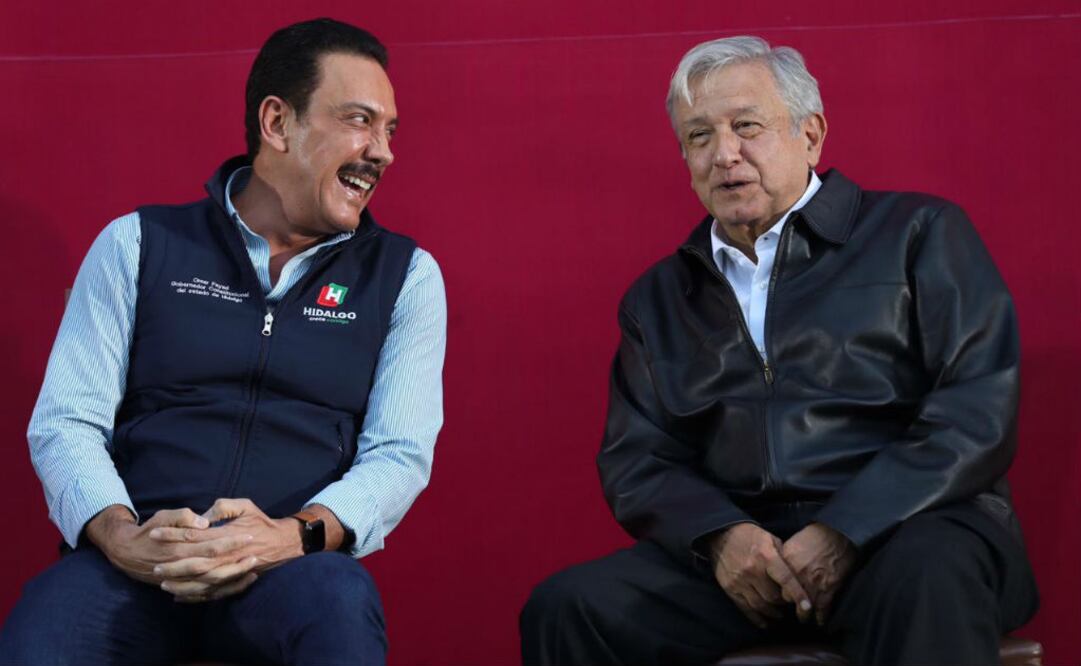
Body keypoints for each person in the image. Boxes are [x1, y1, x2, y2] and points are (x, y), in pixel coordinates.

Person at [520, 36, 1038, 666]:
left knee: (929, 574)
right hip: (746, 559)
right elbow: (638, 459)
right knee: (569, 609)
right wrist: (722, 538)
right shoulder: (658, 298)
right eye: (699, 137)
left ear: (811, 135)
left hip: (907, 530)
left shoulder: (919, 235)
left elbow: (976, 407)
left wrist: (846, 529)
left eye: (746, 126)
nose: (724, 155)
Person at [0, 18, 445, 666]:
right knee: (42, 636)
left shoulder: (405, 277)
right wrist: (122, 537)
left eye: (389, 130)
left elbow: (399, 453)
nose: (382, 151)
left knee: (339, 607)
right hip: (133, 562)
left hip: (290, 569)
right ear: (277, 123)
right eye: (359, 121)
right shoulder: (137, 243)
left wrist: (293, 535)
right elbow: (67, 421)